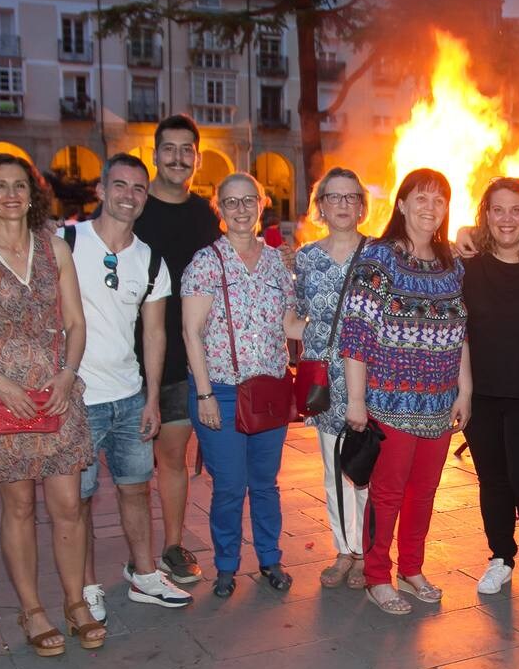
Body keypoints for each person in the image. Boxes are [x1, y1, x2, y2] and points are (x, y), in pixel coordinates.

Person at [0, 154, 102, 656]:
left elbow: (77, 323)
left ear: (33, 193)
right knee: (17, 506)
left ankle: (75, 601)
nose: (11, 194)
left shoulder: (54, 248)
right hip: (2, 400)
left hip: (56, 395)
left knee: (68, 506)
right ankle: (32, 608)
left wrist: (67, 373)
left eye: (20, 185)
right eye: (0, 186)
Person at [340, 168, 471, 616]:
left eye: (439, 200)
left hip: (438, 403)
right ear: (401, 204)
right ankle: (377, 574)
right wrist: (356, 401)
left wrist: (464, 388)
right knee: (387, 493)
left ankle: (412, 569)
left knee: (426, 491)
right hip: (389, 402)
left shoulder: (452, 262)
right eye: (421, 198)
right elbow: (355, 334)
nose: (430, 207)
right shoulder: (379, 259)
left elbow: (461, 332)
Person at [68, 154, 192, 616]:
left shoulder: (150, 260)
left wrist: (152, 398)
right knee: (77, 498)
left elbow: (155, 333)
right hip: (77, 399)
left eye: (138, 188)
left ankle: (143, 574)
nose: (129, 195)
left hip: (128, 395)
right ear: (101, 190)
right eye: (119, 185)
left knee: (136, 487)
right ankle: (85, 587)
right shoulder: (66, 242)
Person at [181, 173, 295, 598]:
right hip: (223, 393)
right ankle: (226, 564)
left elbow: (288, 324)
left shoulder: (276, 262)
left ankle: (270, 558)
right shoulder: (206, 262)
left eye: (249, 200)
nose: (241, 209)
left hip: (269, 388)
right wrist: (205, 393)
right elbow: (191, 332)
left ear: (262, 203)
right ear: (219, 208)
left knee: (265, 483)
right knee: (229, 485)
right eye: (231, 202)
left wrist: (327, 324)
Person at [133, 114, 222, 587]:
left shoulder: (206, 215)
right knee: (128, 468)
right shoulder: (134, 209)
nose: (177, 157)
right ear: (154, 154)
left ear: (197, 157)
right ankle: (138, 555)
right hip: (127, 357)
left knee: (172, 458)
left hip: (183, 358)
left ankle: (170, 545)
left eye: (186, 149)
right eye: (169, 148)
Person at [464, 178, 519, 598]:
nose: (506, 218)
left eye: (516, 209)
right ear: (485, 215)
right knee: (492, 480)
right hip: (481, 395)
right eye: (497, 209)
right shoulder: (467, 264)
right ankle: (500, 557)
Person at [290, 167, 372, 589]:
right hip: (325, 381)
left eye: (350, 197)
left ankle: (367, 552)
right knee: (333, 468)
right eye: (333, 197)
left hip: (372, 380)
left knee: (367, 466)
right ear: (320, 206)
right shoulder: (307, 257)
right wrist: (315, 342)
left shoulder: (380, 254)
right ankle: (343, 550)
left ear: (361, 205)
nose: (341, 205)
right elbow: (294, 315)